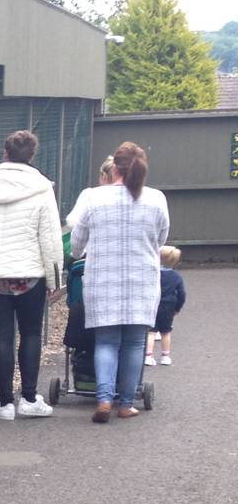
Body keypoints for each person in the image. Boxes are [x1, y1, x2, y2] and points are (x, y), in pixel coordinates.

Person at [0, 129, 63, 420]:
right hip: (28, 274)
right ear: (32, 155)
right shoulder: (43, 189)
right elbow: (50, 238)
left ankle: (5, 403)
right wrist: (54, 278)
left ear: (5, 153)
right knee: (31, 332)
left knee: (1, 335)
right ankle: (30, 399)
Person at [67, 142, 169, 423]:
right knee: (135, 344)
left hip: (103, 280)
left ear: (114, 168)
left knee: (106, 342)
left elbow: (77, 245)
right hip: (142, 281)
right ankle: (125, 403)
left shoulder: (93, 198)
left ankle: (102, 399)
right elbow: (160, 239)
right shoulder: (157, 199)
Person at [145, 245, 186, 366]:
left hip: (153, 305)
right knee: (166, 332)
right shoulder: (176, 277)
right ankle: (165, 356)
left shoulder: (153, 274)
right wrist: (177, 307)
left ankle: (148, 355)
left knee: (151, 332)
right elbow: (182, 294)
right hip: (168, 307)